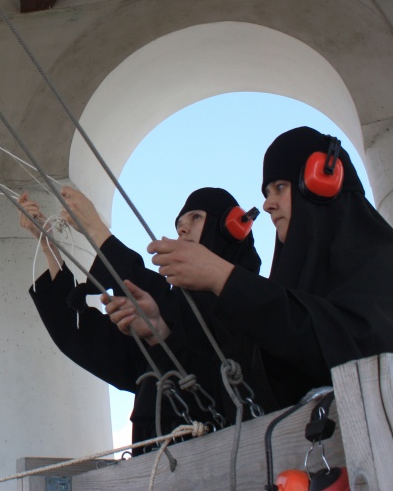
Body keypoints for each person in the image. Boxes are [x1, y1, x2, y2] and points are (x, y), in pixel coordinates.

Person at [148, 126, 393, 408]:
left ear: (323, 179)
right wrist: (159, 333)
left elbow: (361, 352)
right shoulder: (301, 287)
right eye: (266, 193)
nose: (268, 204)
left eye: (279, 187)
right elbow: (250, 378)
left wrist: (223, 278)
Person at [18, 185, 269, 449]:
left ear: (231, 227)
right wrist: (49, 245)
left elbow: (173, 314)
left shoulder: (248, 302)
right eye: (179, 226)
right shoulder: (173, 309)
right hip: (156, 459)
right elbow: (81, 337)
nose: (183, 229)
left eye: (196, 217)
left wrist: (97, 230)